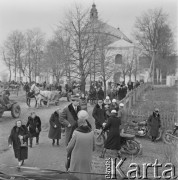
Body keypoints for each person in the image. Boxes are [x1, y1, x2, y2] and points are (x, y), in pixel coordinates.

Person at [66, 110, 95, 180]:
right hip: (87, 158)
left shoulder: (76, 133)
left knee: (75, 175)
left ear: (79, 118)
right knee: (86, 175)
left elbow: (68, 148)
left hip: (76, 159)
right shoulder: (91, 133)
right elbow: (93, 148)